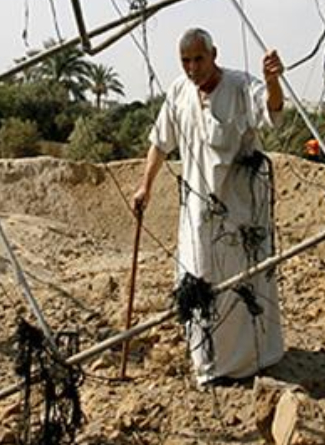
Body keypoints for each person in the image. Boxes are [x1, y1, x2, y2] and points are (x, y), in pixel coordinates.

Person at [132, 27, 285, 386]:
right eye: (185, 61)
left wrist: (273, 81)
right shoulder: (179, 92)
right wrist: (145, 186)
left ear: (214, 54)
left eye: (199, 59)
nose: (192, 67)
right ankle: (208, 364)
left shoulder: (241, 86)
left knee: (243, 284)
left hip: (240, 210)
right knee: (199, 281)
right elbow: (160, 142)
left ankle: (251, 362)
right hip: (197, 212)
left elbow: (272, 112)